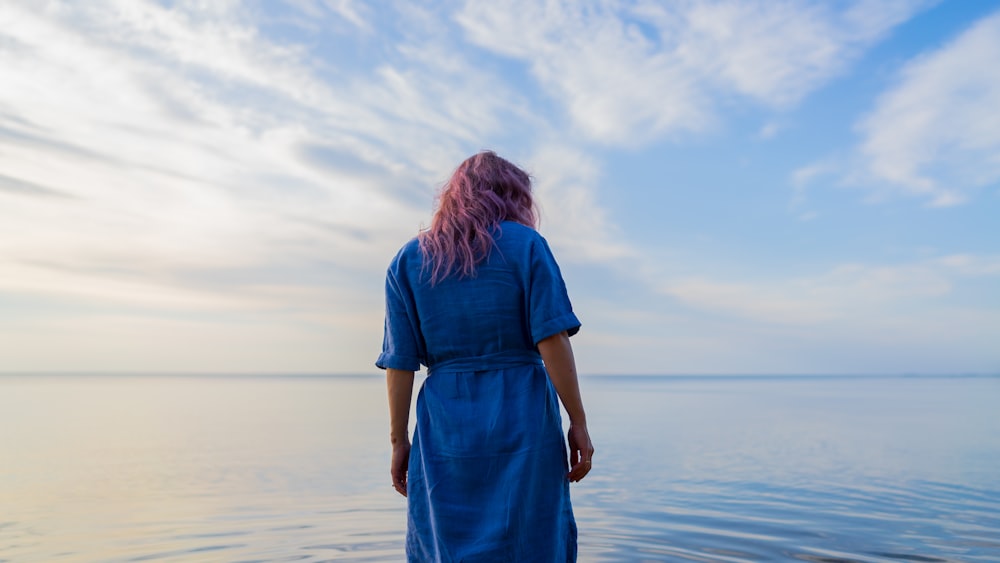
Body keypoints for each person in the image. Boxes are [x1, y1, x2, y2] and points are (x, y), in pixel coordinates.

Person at [377, 150, 595, 562]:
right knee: (531, 534)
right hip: (522, 413)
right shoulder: (527, 245)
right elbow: (553, 339)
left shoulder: (408, 260)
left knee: (446, 538)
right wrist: (578, 421)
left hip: (444, 424)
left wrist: (398, 442)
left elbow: (400, 363)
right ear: (514, 196)